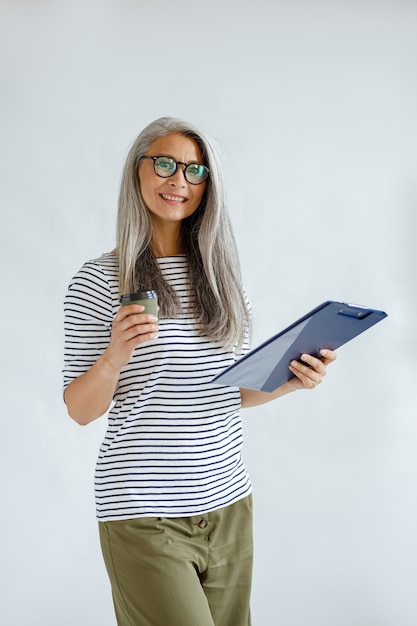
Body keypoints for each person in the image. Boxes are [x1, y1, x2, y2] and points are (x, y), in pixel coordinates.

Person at [63, 116, 336, 626]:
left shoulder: (222, 281)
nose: (179, 181)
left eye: (194, 170)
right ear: (137, 172)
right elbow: (79, 409)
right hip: (144, 512)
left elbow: (227, 392)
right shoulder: (100, 280)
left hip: (229, 503)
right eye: (164, 164)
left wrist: (289, 381)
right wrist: (114, 357)